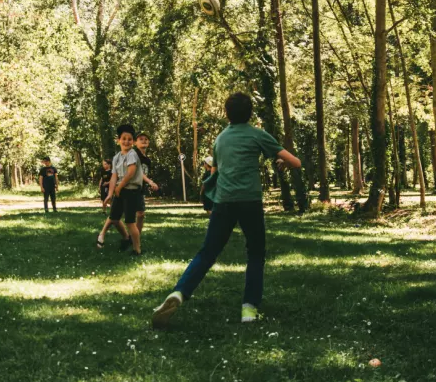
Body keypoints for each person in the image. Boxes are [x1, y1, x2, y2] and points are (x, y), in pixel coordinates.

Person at [152, 93, 301, 328]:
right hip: (250, 202)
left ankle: (179, 292)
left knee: (207, 253)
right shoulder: (258, 134)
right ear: (250, 113)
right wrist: (281, 161)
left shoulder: (220, 139)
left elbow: (219, 169)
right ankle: (249, 309)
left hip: (224, 202)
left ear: (226, 113)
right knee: (255, 253)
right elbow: (296, 162)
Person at [99, 124, 142, 253]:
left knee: (130, 222)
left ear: (133, 142)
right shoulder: (117, 157)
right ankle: (126, 238)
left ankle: (137, 249)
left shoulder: (132, 154)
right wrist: (110, 193)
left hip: (131, 191)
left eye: (129, 139)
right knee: (115, 218)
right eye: (123, 138)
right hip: (120, 190)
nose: (126, 141)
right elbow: (114, 176)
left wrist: (120, 186)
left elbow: (131, 173)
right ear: (118, 140)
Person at [133, 133, 160, 235]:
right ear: (135, 143)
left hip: (140, 187)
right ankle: (103, 234)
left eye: (146, 139)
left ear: (148, 142)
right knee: (121, 215)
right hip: (130, 186)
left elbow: (144, 174)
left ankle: (136, 237)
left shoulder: (147, 160)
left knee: (140, 214)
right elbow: (138, 172)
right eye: (141, 139)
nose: (144, 140)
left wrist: (148, 183)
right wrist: (150, 182)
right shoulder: (134, 155)